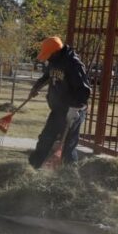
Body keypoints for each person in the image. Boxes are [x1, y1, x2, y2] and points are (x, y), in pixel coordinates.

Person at [27, 36, 92, 168]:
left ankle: (69, 174)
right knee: (45, 138)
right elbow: (47, 76)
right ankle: (32, 167)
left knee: (68, 146)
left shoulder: (73, 64)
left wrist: (75, 108)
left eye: (48, 55)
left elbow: (84, 90)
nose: (47, 58)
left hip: (73, 110)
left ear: (56, 51)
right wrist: (36, 87)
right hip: (58, 109)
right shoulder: (54, 61)